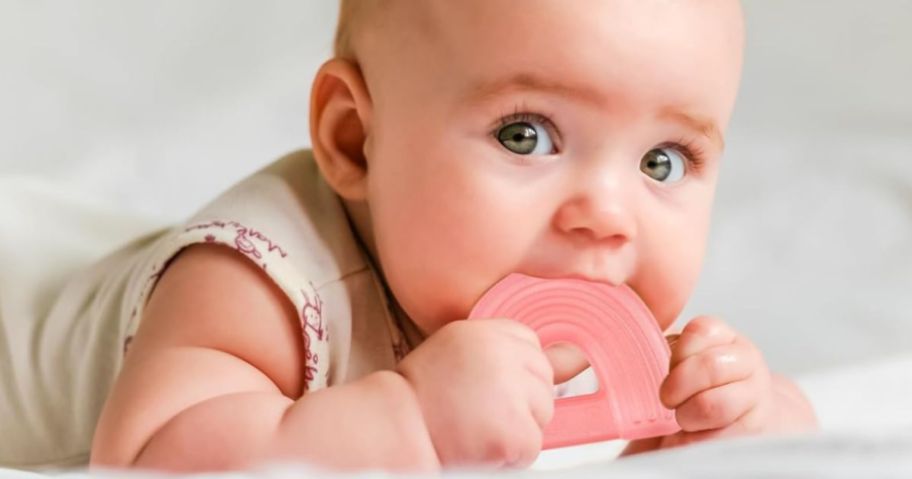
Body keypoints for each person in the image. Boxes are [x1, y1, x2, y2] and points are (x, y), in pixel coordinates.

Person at [1, 0, 817, 472]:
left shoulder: (517, 267)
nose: (608, 214)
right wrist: (413, 417)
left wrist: (741, 419)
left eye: (664, 161)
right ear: (357, 139)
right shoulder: (255, 287)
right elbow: (144, 459)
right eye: (526, 135)